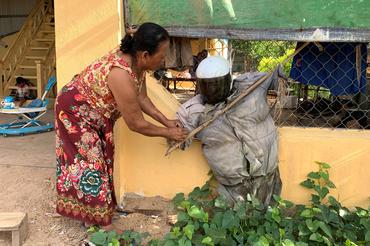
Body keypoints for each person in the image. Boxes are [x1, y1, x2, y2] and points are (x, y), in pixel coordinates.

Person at [54, 22, 188, 228]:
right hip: (74, 112)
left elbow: (142, 98)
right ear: (145, 55)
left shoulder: (137, 64)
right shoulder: (120, 74)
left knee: (105, 159)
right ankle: (100, 225)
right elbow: (136, 124)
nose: (163, 61)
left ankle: (96, 214)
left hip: (95, 114)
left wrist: (166, 120)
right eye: (161, 56)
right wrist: (167, 132)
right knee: (92, 164)